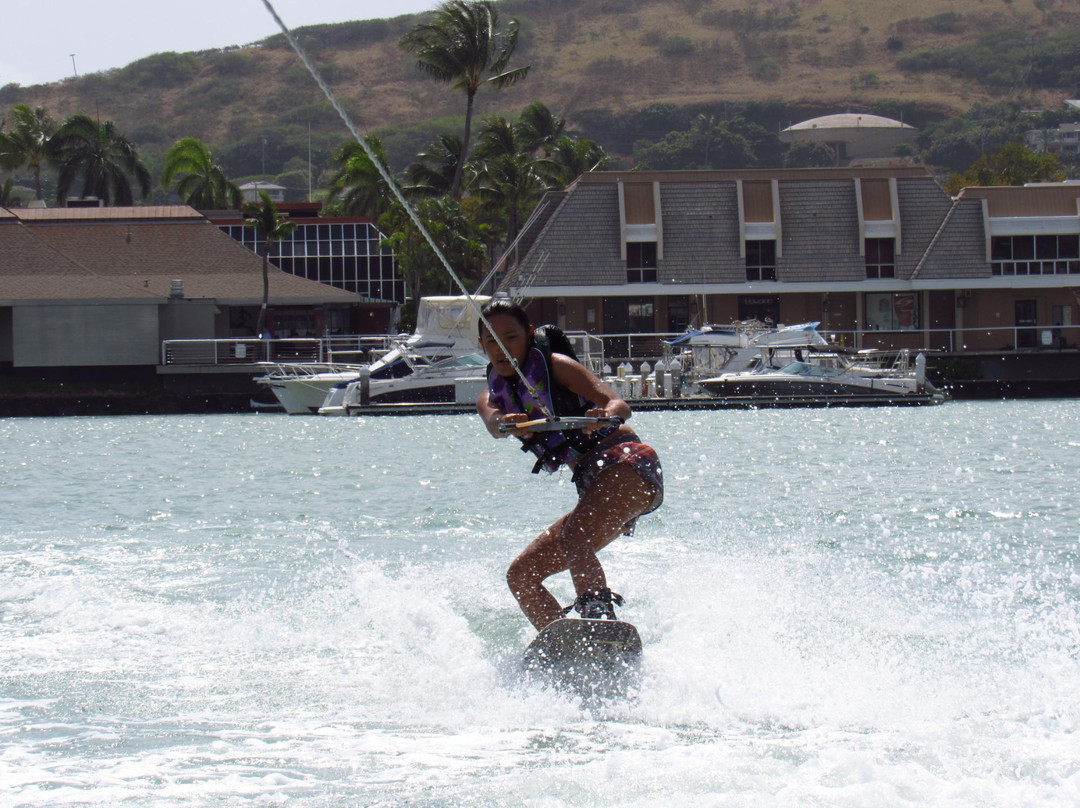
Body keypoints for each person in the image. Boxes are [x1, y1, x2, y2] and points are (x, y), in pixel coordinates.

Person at [476, 299, 663, 631]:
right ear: (482, 345)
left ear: (529, 335)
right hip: (591, 483)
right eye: (492, 341)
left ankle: (600, 621)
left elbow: (620, 405)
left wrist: (604, 414)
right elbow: (492, 422)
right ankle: (563, 646)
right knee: (521, 575)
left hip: (627, 464)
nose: (501, 349)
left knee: (574, 536)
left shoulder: (556, 365)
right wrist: (503, 423)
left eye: (511, 338)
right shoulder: (491, 396)